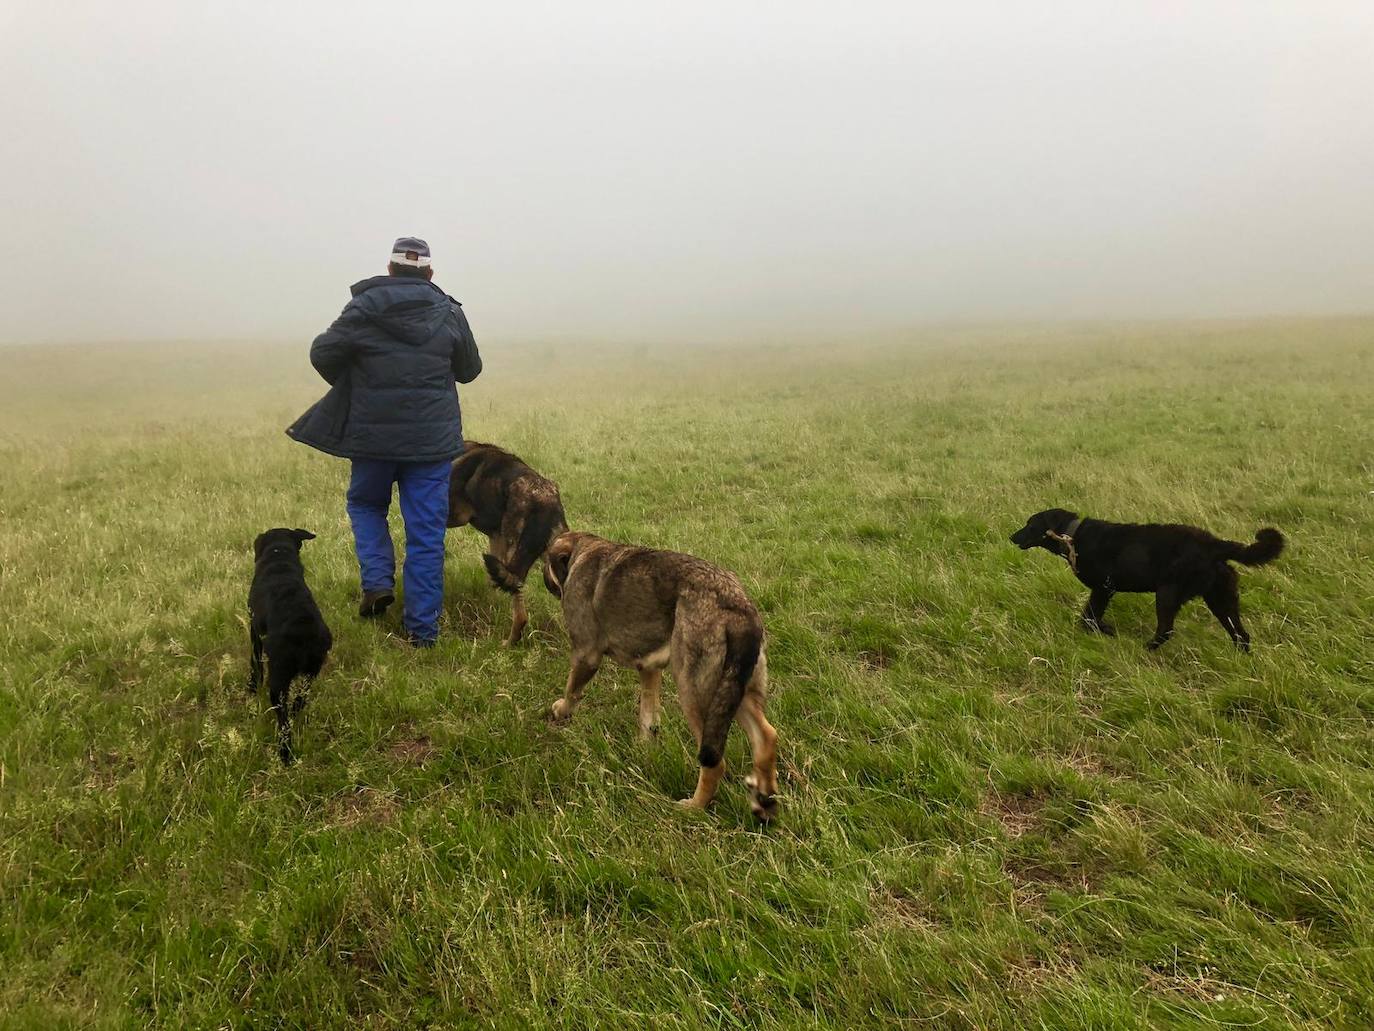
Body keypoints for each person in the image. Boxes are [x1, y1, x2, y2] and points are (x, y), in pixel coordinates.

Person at [287, 236, 482, 647]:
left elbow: (323, 352)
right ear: (430, 273)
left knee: (366, 505)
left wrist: (358, 383)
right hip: (431, 444)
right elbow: (469, 370)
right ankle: (422, 634)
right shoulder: (449, 312)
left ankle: (377, 582)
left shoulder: (364, 307)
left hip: (372, 440)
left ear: (390, 270)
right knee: (426, 534)